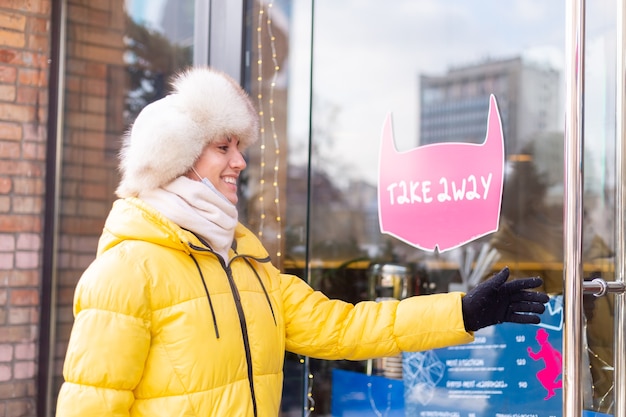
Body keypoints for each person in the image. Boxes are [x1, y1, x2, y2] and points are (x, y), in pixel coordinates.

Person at [55, 66, 550, 417]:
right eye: (222, 148)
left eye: (240, 148)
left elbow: (345, 328)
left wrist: (465, 312)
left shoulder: (249, 268)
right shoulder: (126, 271)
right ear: (175, 159)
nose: (239, 163)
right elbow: (91, 404)